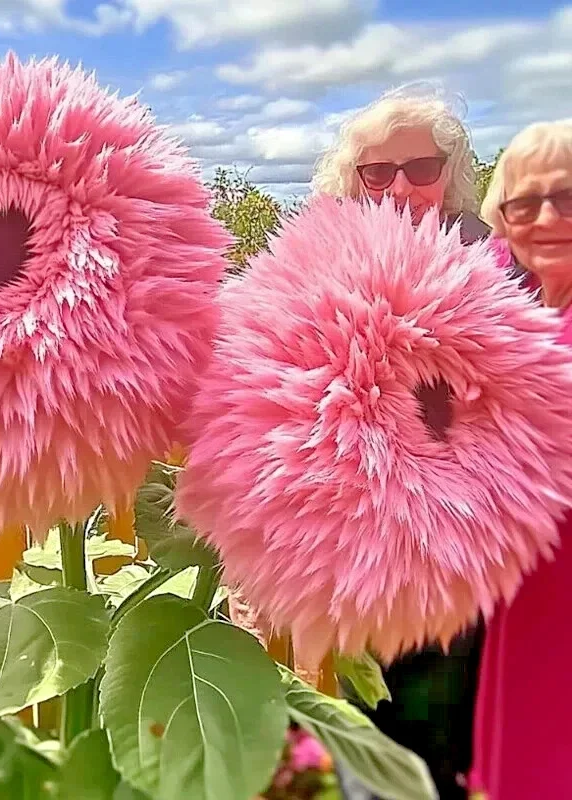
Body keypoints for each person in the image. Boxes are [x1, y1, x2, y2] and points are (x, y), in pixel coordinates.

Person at [310, 85, 492, 800]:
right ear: (351, 180)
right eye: (377, 172)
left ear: (451, 173)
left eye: (421, 168)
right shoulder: (321, 264)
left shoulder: (493, 260)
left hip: (466, 537)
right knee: (372, 717)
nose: (399, 188)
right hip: (357, 534)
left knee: (450, 720)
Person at [469, 121, 572, 800]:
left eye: (568, 198)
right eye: (524, 203)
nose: (547, 218)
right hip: (531, 581)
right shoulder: (524, 314)